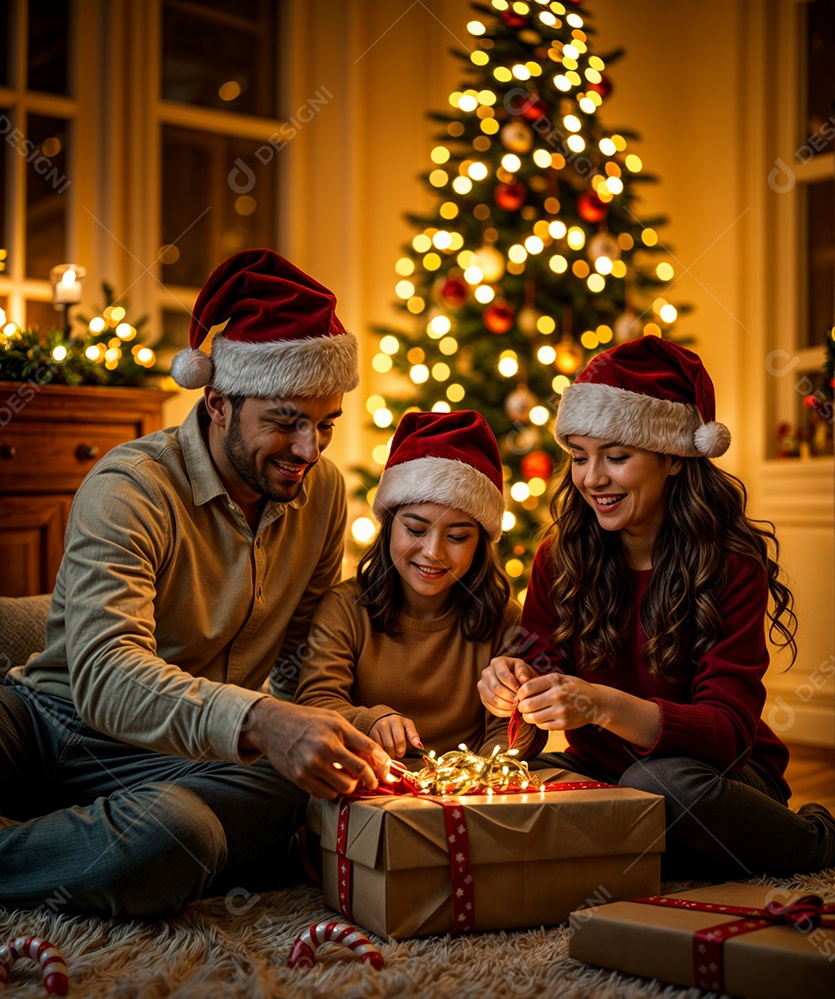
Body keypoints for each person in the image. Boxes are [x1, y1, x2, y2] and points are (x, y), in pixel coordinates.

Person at [0, 248, 390, 918]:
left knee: (211, 823)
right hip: (46, 721)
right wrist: (262, 720)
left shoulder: (323, 494)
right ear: (217, 403)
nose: (309, 450)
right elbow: (104, 678)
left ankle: (106, 843)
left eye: (325, 424)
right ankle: (88, 849)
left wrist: (351, 725)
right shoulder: (133, 486)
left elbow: (298, 663)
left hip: (173, 761)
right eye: (285, 420)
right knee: (207, 831)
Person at [478, 336, 835, 878]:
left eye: (616, 457)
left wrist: (599, 705)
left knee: (657, 785)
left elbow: (726, 731)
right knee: (518, 787)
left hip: (718, 776)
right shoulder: (561, 555)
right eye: (579, 457)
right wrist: (516, 689)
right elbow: (544, 675)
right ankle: (668, 851)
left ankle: (813, 841)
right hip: (602, 773)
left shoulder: (731, 565)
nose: (592, 479)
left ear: (672, 457)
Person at [294, 410, 541, 763]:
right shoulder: (346, 607)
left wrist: (484, 774)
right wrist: (370, 719)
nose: (433, 552)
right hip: (368, 789)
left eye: (457, 536)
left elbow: (514, 731)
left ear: (480, 544)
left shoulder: (504, 618)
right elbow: (315, 703)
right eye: (415, 529)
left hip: (471, 798)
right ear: (389, 526)